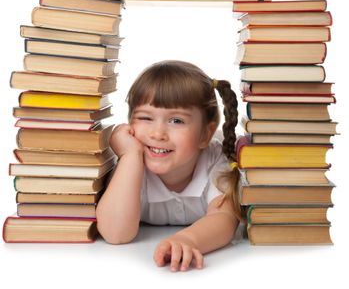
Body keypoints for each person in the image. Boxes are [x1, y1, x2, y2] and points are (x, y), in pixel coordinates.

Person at [96, 60, 243, 272]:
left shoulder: (214, 160)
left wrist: (188, 239)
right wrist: (129, 156)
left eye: (176, 121)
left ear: (205, 134)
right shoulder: (132, 164)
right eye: (146, 117)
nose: (157, 134)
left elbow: (224, 218)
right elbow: (116, 234)